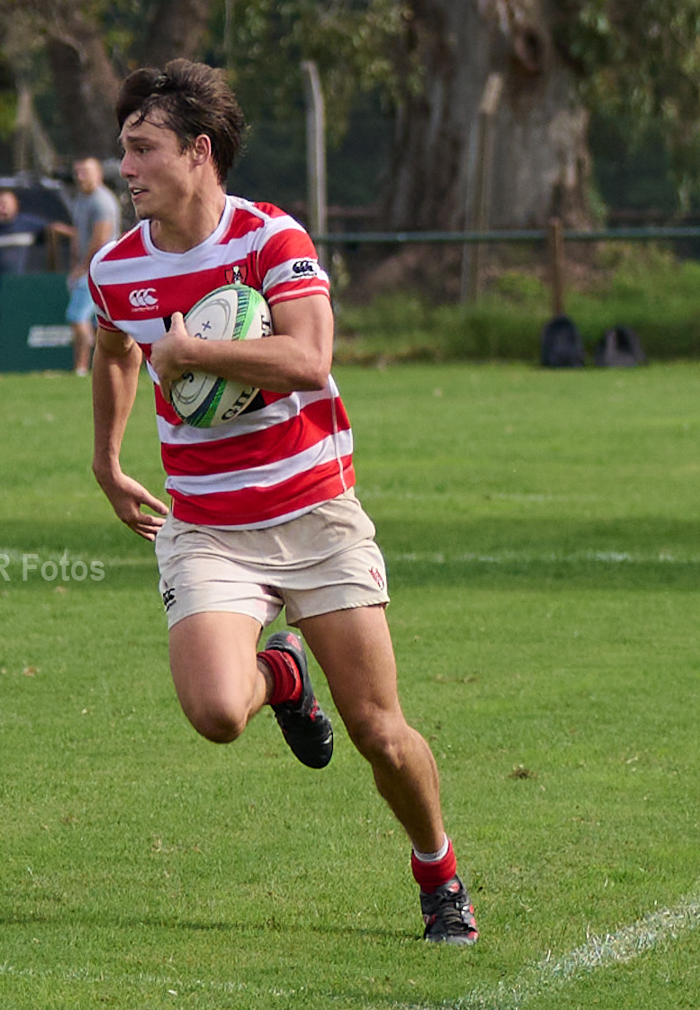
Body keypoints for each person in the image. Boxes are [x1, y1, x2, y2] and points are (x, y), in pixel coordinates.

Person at [86, 59, 478, 945]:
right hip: (207, 527)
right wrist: (108, 461)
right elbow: (114, 350)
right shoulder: (115, 268)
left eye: (143, 149)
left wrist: (194, 356)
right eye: (123, 149)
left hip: (314, 512)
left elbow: (308, 358)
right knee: (218, 711)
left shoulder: (270, 239)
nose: (127, 166)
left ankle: (439, 870)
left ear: (198, 151)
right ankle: (281, 675)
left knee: (380, 731)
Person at [0, 189, 69, 371]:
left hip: (17, 289)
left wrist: (72, 233)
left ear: (15, 206)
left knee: (13, 327)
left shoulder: (27, 224)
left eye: (5, 204)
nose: (1, 209)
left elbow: (53, 230)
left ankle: (17, 362)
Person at [64, 156, 119, 376]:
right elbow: (78, 234)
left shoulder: (101, 201)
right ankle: (89, 365)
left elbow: (101, 238)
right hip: (85, 267)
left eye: (85, 172)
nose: (80, 177)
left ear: (98, 174)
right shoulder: (81, 199)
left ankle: (83, 365)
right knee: (95, 321)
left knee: (77, 318)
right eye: (77, 172)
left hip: (98, 270)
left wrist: (85, 267)